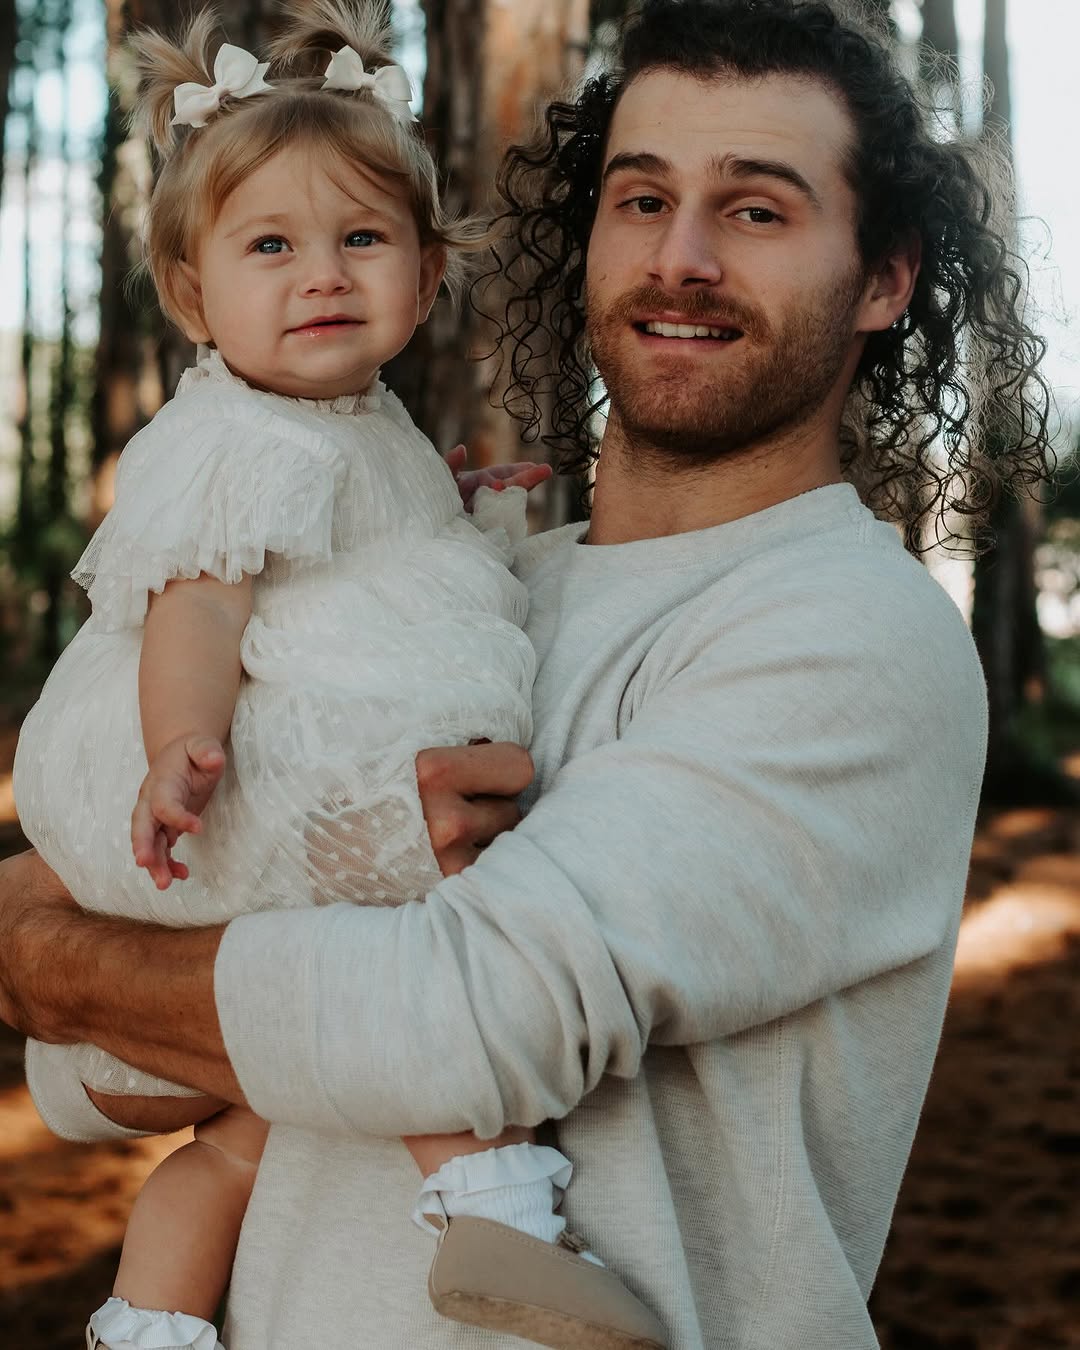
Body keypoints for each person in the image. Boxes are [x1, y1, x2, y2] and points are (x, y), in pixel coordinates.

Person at [0, 0, 1053, 1346]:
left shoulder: (848, 631)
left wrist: (40, 945)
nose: (679, 258)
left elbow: (463, 1023)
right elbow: (100, 1077)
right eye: (641, 199)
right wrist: (142, 974)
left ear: (885, 279)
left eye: (756, 211)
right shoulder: (457, 592)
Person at [11, 4, 662, 1349]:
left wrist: (449, 509)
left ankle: (150, 1319)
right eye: (271, 246)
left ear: (423, 283)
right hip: (235, 784)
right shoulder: (229, 439)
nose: (321, 275)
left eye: (361, 240)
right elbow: (198, 607)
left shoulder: (363, 423)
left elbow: (352, 543)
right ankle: (492, 1206)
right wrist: (182, 746)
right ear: (194, 293)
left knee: (243, 1139)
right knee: (403, 949)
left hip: (286, 768)